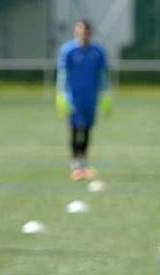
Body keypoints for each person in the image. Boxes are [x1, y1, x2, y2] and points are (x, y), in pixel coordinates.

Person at [56, 19, 110, 181]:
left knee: (86, 130)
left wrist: (105, 94)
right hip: (73, 97)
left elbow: (103, 76)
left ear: (90, 33)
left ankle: (83, 165)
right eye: (80, 31)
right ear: (76, 31)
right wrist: (61, 94)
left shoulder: (98, 52)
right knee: (75, 129)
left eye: (86, 31)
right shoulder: (68, 50)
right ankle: (75, 166)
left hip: (91, 98)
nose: (83, 34)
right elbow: (63, 74)